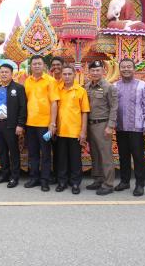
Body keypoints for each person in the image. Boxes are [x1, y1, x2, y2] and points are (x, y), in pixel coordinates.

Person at [114, 58, 145, 196]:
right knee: (123, 156)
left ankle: (140, 185)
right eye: (123, 67)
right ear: (120, 69)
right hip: (120, 127)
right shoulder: (115, 86)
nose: (126, 69)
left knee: (138, 157)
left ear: (134, 69)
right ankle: (125, 181)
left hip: (137, 128)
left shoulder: (143, 85)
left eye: (129, 66)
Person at [24, 55, 59, 192]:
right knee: (33, 153)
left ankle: (45, 180)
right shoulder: (27, 81)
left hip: (45, 124)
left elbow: (54, 103)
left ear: (44, 65)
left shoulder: (50, 81)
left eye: (39, 63)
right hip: (30, 123)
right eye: (34, 64)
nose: (37, 66)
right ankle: (34, 178)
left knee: (45, 153)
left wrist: (52, 123)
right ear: (31, 66)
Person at [0, 63, 27, 188]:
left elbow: (23, 107)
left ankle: (14, 177)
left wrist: (20, 124)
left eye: (6, 72)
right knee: (2, 151)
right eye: (2, 72)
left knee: (13, 152)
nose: (4, 74)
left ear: (11, 74)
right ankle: (4, 174)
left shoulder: (18, 88)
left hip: (11, 125)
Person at [85, 60, 118, 195]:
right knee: (95, 154)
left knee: (105, 155)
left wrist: (110, 126)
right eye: (92, 70)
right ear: (89, 72)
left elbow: (114, 108)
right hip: (90, 125)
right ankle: (98, 179)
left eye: (98, 70)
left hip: (103, 125)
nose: (95, 73)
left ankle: (108, 184)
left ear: (103, 71)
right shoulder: (87, 86)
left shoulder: (109, 87)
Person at [55, 64, 89, 195]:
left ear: (74, 75)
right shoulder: (57, 89)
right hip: (60, 131)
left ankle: (75, 183)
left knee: (75, 159)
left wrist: (83, 131)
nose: (67, 76)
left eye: (69, 74)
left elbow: (84, 112)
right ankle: (62, 182)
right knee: (61, 159)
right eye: (65, 74)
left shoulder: (81, 91)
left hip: (75, 131)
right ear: (61, 75)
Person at [49, 56, 64, 184]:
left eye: (58, 64)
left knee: (63, 150)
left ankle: (64, 176)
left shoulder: (68, 81)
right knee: (54, 149)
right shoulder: (50, 81)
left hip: (65, 121)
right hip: (51, 120)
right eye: (53, 65)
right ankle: (55, 175)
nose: (56, 67)